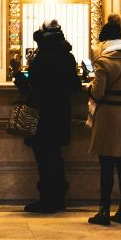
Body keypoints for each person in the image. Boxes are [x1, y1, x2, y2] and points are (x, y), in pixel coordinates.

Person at [13, 20, 81, 214]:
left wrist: (18, 75)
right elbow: (74, 87)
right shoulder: (68, 57)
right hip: (60, 114)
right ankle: (58, 197)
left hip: (43, 115)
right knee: (56, 156)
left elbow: (31, 90)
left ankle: (47, 200)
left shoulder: (41, 60)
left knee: (44, 157)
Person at [84, 16, 121, 226]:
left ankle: (104, 210)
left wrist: (89, 88)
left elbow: (97, 93)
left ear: (104, 42)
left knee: (106, 167)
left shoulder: (103, 63)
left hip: (108, 116)